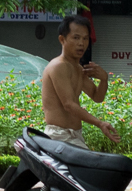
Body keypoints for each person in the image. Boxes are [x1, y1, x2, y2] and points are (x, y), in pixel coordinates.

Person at [41, 15, 120, 150]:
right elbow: (69, 105)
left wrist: (104, 79)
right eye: (76, 38)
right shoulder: (58, 66)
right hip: (59, 136)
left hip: (74, 136)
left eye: (85, 38)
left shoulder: (78, 68)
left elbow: (97, 97)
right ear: (62, 39)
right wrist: (100, 123)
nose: (81, 43)